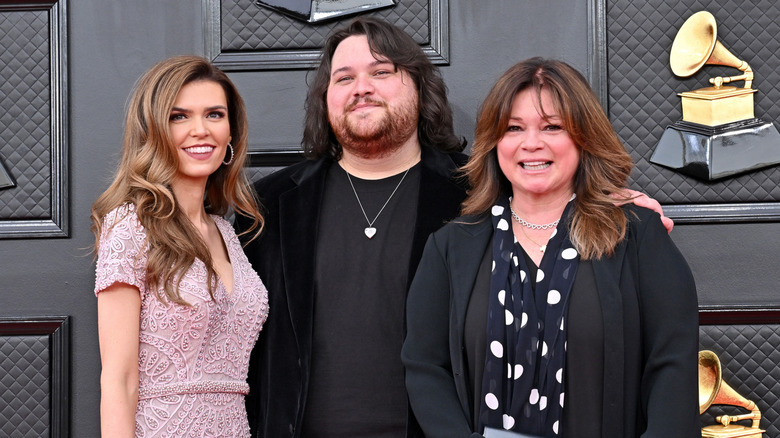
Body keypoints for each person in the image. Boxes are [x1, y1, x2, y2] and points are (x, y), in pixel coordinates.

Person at [235, 17, 675, 438]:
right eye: (343, 77)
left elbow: (550, 191)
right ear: (325, 96)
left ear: (420, 87)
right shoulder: (268, 205)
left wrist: (616, 203)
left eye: (381, 71)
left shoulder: (478, 194)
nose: (361, 88)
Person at [401, 58, 700, 438]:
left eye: (552, 127)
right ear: (495, 143)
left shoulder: (638, 236)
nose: (531, 143)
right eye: (513, 128)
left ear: (583, 137)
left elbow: (671, 365)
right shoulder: (451, 247)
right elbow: (425, 366)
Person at [91, 55, 268, 437]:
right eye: (179, 116)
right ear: (153, 129)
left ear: (231, 132)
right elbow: (118, 380)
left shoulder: (226, 233)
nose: (200, 130)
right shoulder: (130, 227)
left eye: (215, 115)